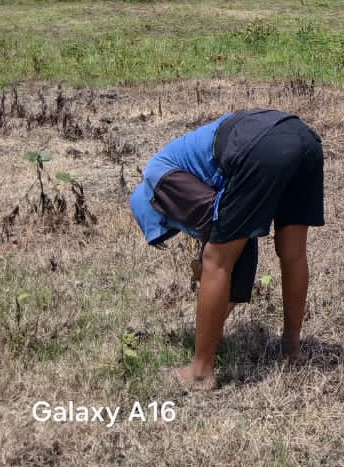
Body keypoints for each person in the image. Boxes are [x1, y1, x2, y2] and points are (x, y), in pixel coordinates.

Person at [129, 109, 325, 390]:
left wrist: (204, 263)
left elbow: (224, 249)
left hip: (259, 145)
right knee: (293, 253)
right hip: (303, 138)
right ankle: (291, 348)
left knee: (215, 261)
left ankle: (200, 374)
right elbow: (233, 226)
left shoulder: (157, 176)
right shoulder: (181, 161)